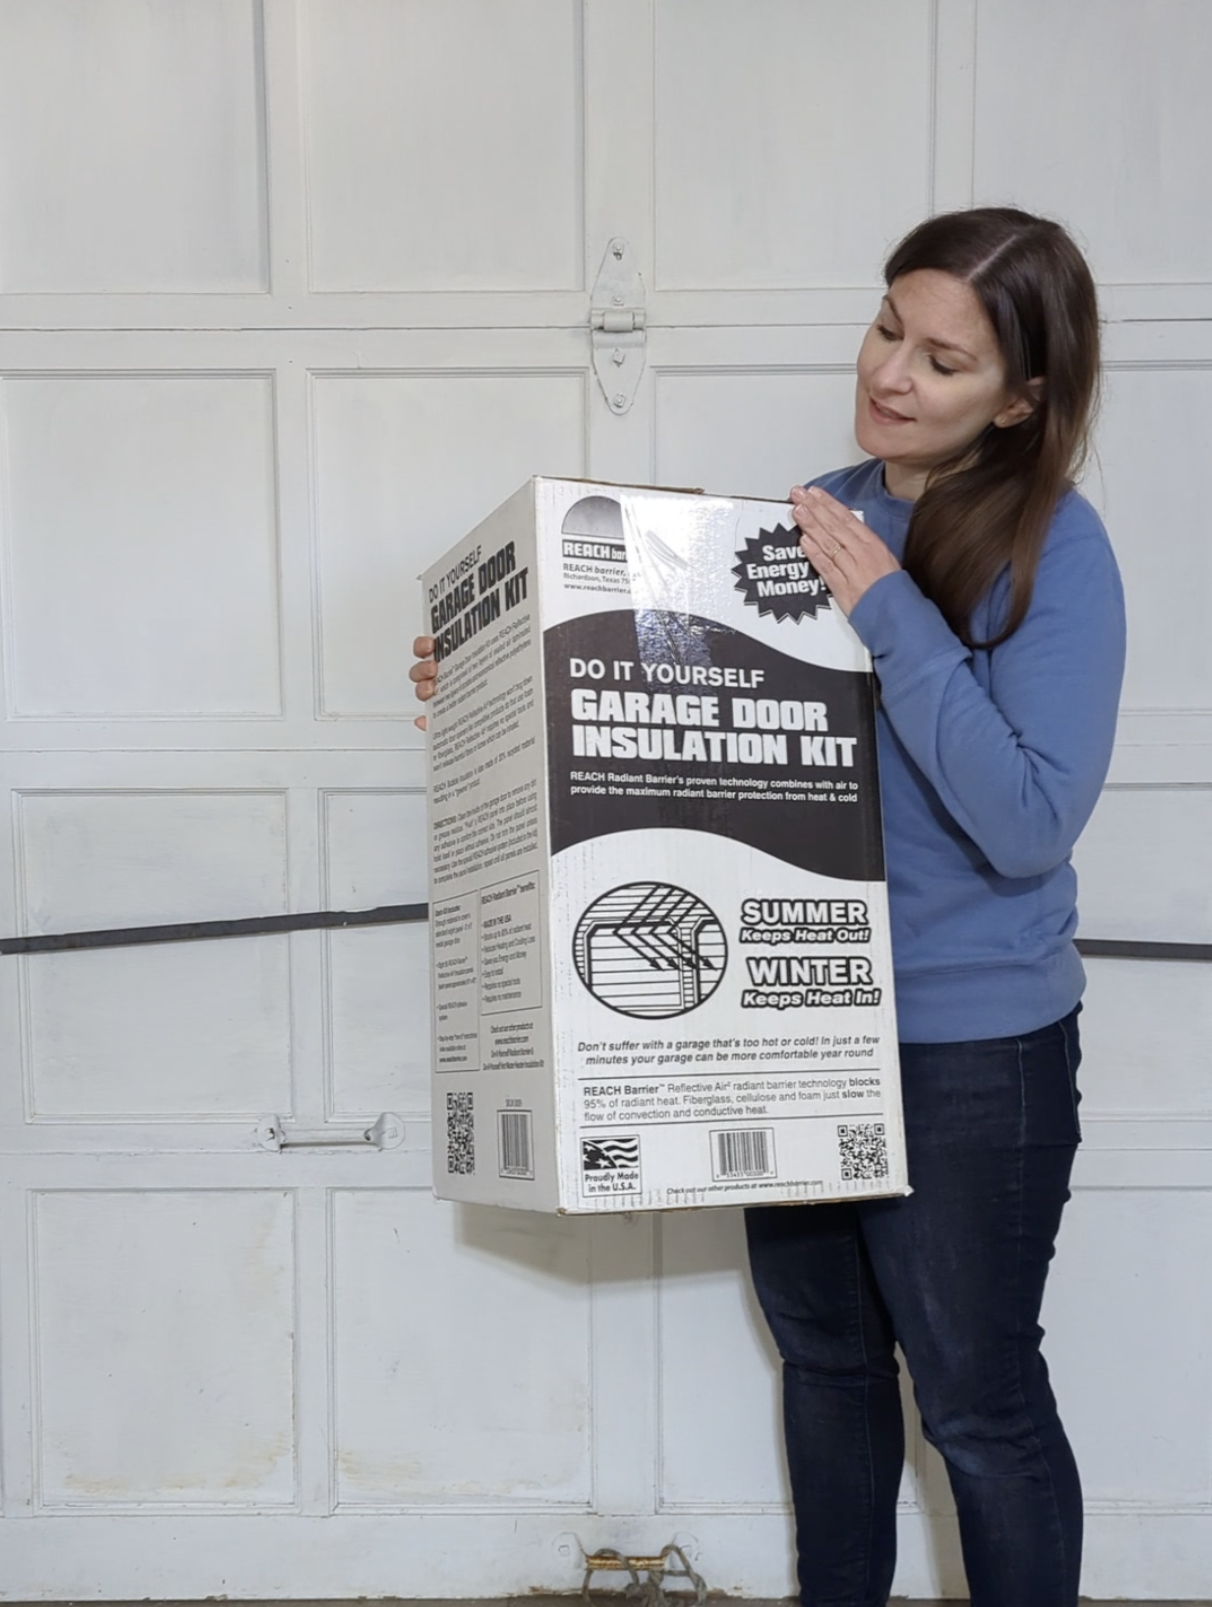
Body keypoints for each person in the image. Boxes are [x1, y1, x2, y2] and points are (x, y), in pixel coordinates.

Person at [412, 207, 1126, 1607]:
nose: (892, 375)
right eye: (886, 329)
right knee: (831, 1366)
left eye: (944, 358)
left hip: (976, 1051)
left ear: (1023, 397)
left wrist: (895, 620)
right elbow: (691, 722)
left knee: (978, 1406)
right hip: (796, 1025)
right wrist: (501, 676)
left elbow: (1032, 822)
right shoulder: (813, 511)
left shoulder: (1060, 546)